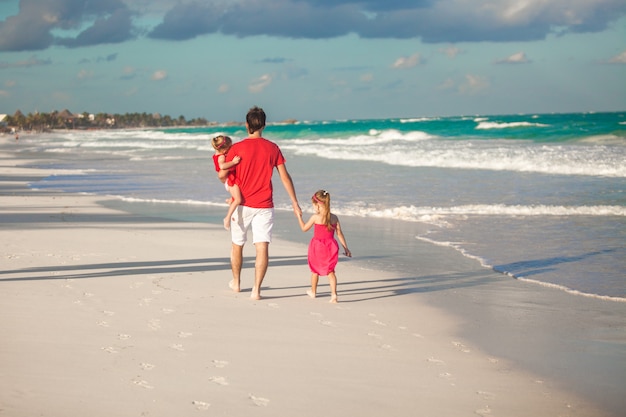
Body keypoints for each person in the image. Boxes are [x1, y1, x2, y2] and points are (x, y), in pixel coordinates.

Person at [226, 106, 301, 299]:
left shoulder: (236, 148)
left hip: (241, 204)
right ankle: (256, 290)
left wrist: (232, 195)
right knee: (262, 247)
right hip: (264, 205)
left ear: (246, 125)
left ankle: (236, 283)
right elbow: (285, 177)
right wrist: (294, 202)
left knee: (237, 245)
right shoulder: (272, 148)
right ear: (264, 126)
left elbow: (225, 174)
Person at [296, 189, 351, 303]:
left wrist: (299, 217)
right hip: (331, 247)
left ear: (318, 205)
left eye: (313, 205)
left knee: (315, 270)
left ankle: (313, 292)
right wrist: (346, 248)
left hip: (318, 247)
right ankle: (334, 295)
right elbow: (339, 233)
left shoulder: (315, 217)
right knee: (331, 271)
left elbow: (304, 228)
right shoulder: (334, 217)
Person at [211, 135, 242, 230]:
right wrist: (233, 162)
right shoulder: (221, 157)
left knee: (236, 197)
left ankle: (230, 200)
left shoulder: (217, 154)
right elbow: (222, 167)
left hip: (229, 180)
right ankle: (227, 218)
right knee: (238, 200)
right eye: (230, 147)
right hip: (230, 180)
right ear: (224, 150)